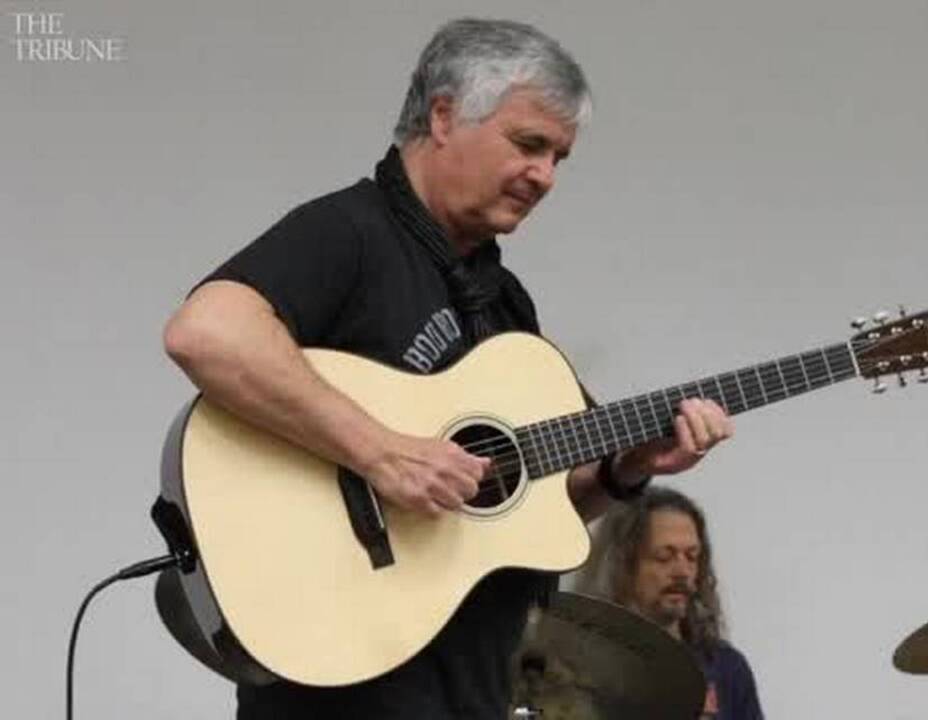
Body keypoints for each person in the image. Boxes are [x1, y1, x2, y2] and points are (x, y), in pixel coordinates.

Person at [162, 17, 733, 720]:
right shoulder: (350, 233)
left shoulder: (505, 303)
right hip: (341, 693)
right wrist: (383, 452)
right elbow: (206, 331)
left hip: (470, 689)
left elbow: (530, 513)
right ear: (443, 114)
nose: (545, 176)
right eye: (529, 145)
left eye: (559, 157)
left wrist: (626, 469)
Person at [578, 486, 765, 719]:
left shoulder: (726, 667)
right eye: (664, 557)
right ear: (623, 566)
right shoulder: (579, 667)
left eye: (692, 557)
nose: (682, 571)